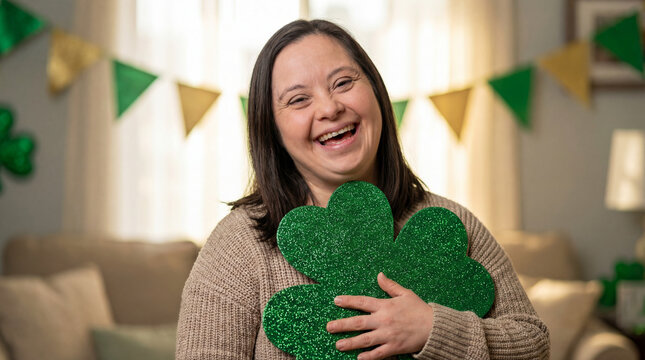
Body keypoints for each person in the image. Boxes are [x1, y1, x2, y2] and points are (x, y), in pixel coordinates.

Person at [176, 19, 549, 360]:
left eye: (343, 83)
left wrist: (434, 330)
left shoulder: (451, 223)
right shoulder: (239, 246)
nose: (330, 108)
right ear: (272, 131)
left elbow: (534, 344)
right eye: (298, 99)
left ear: (376, 93)